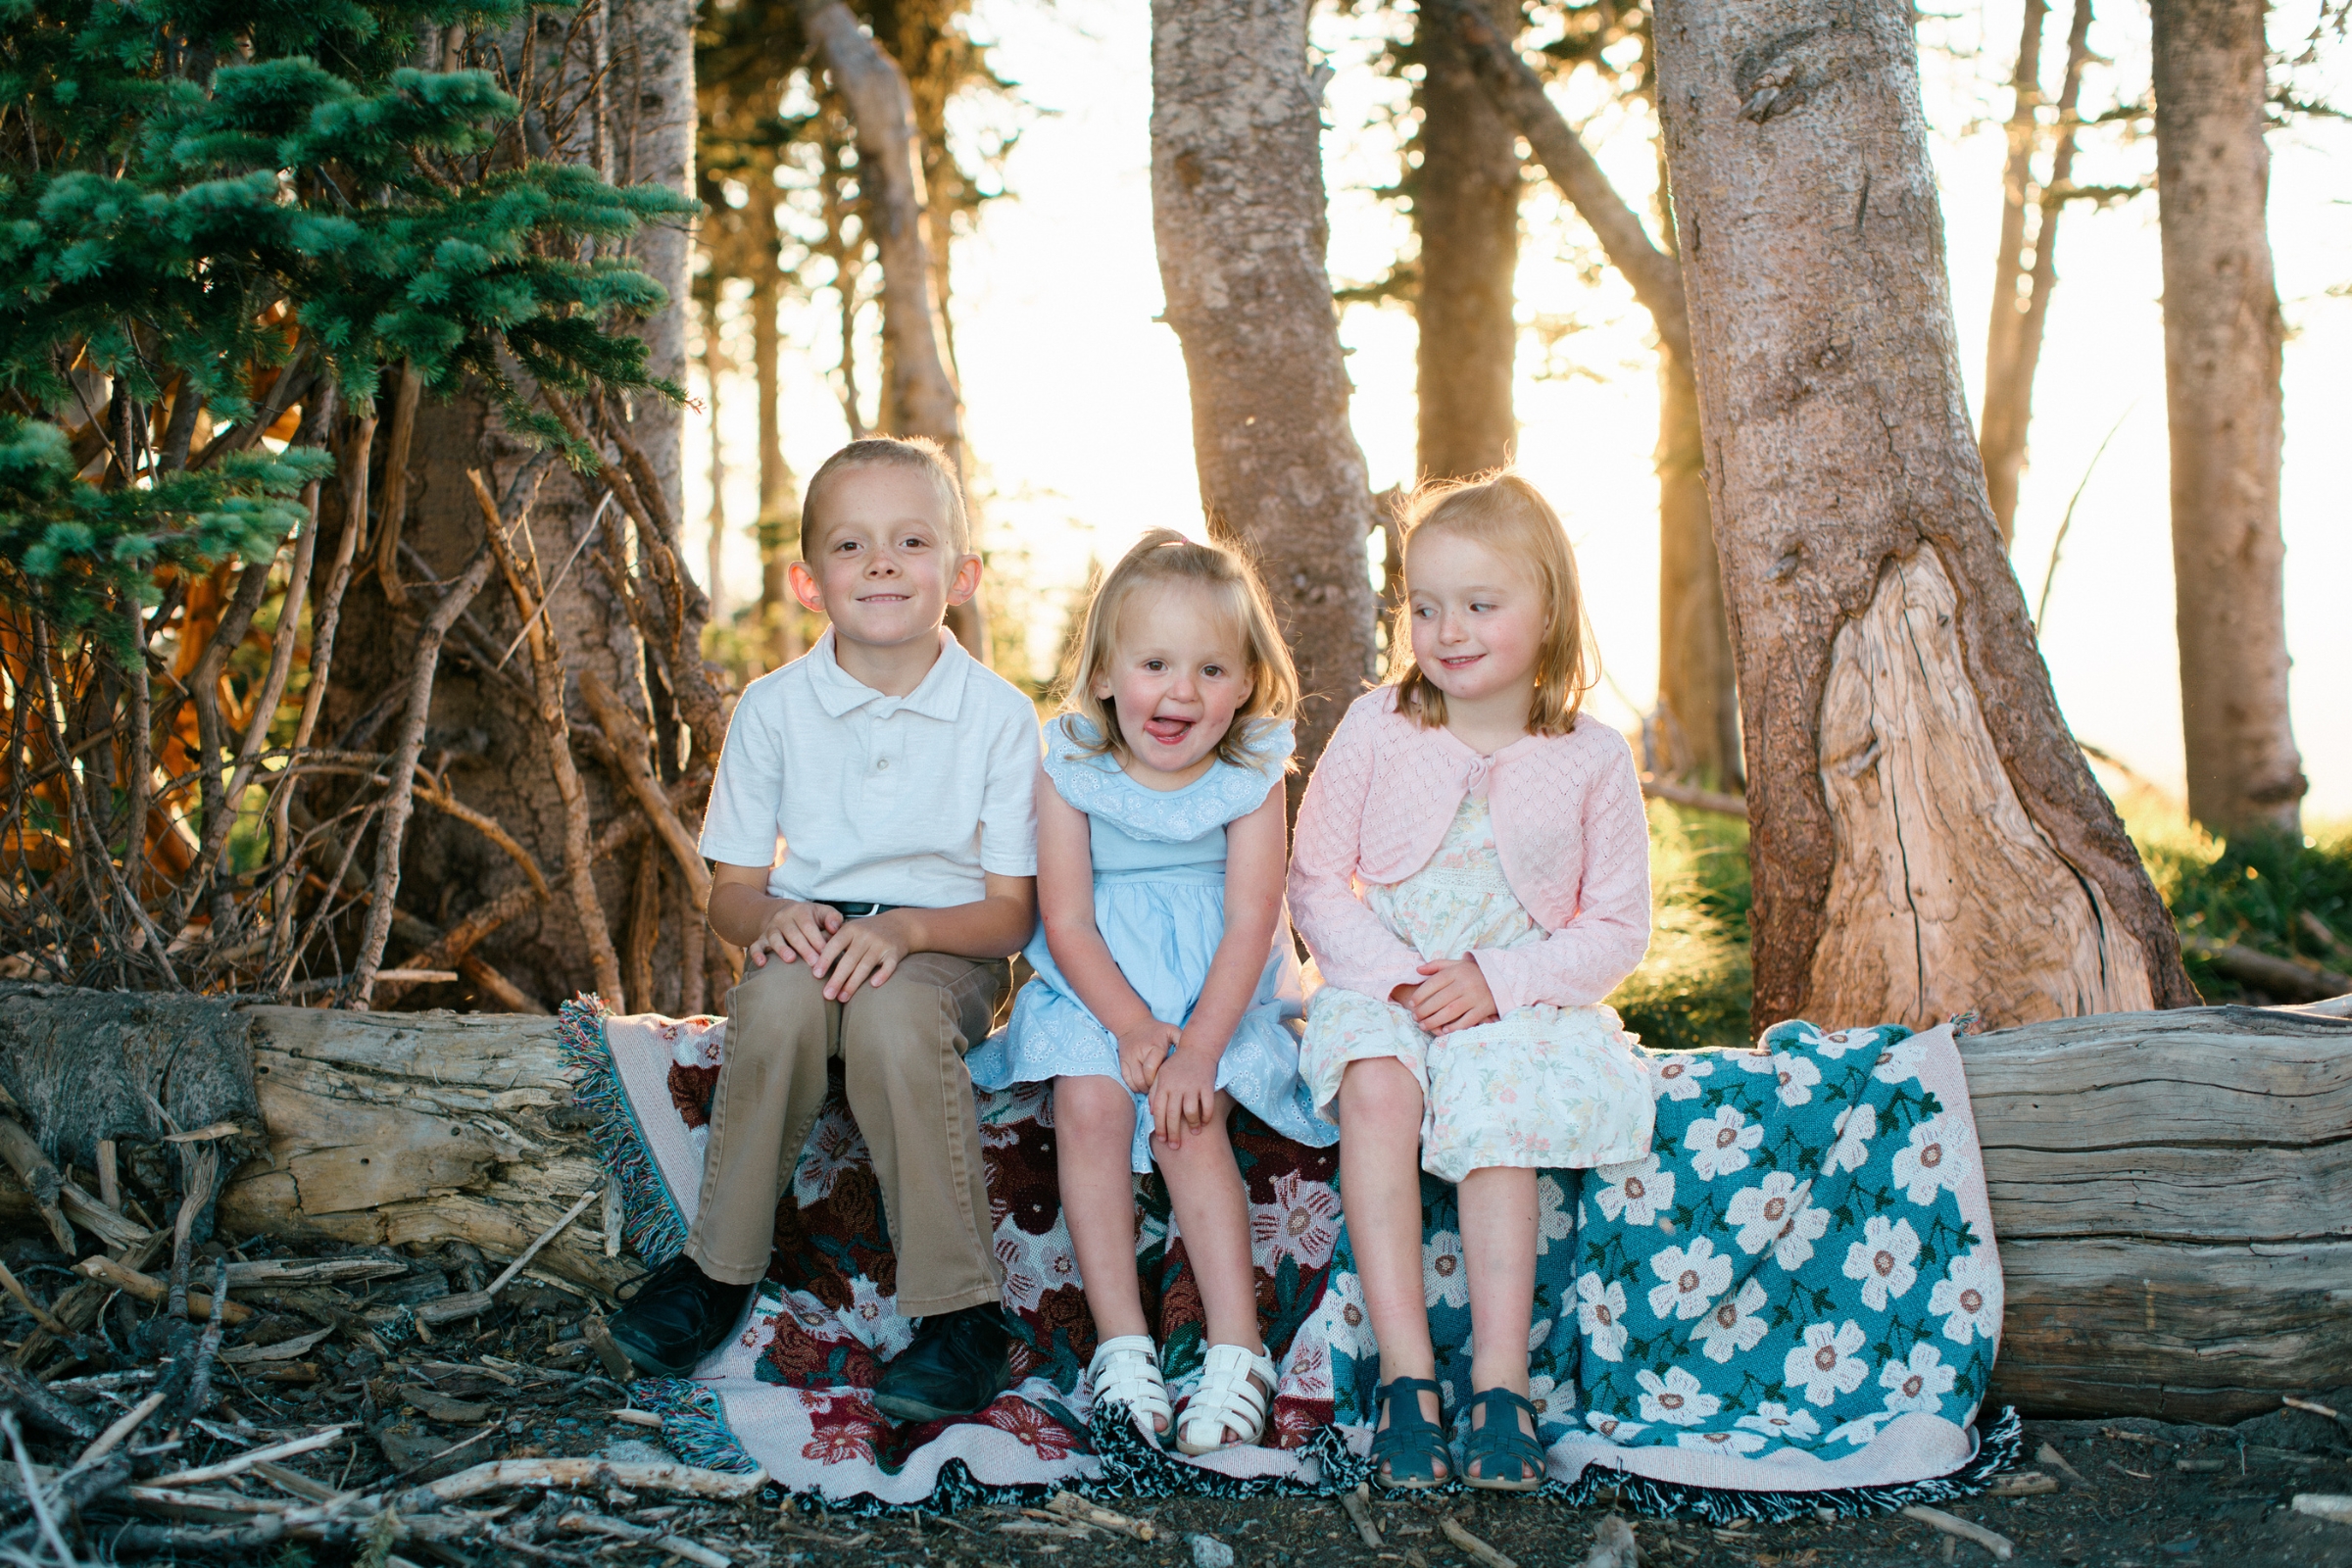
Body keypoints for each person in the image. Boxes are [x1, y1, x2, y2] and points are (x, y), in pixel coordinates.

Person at [607, 437, 1042, 1425]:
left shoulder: (1000, 717)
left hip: (946, 946)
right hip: (811, 940)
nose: (882, 562)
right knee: (774, 1002)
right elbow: (731, 894)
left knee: (893, 1022)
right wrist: (777, 917)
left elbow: (1012, 914)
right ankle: (716, 1272)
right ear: (809, 582)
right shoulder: (772, 709)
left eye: (912, 540)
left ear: (961, 574)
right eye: (852, 544)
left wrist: (910, 930)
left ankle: (962, 1314)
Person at [1288, 473, 1655, 1491]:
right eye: (1424, 604)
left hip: (1519, 997)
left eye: (1480, 605)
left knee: (1504, 1097)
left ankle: (1501, 1384)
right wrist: (1395, 980)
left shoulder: (1590, 757)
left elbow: (1619, 923)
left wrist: (1501, 979)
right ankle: (1408, 1375)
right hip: (1389, 979)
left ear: (1549, 614)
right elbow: (1316, 876)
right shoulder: (1376, 726)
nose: (1446, 630)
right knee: (1376, 1082)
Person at [966, 530, 1332, 1454]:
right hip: (1095, 992)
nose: (1181, 692)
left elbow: (1254, 923)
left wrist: (1198, 1047)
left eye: (1212, 669)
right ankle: (1123, 1345)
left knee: (1188, 1114)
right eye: (1156, 664)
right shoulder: (1070, 769)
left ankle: (1237, 1351)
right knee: (1089, 1105)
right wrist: (1129, 1025)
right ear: (1102, 673)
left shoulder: (1252, 775)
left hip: (1220, 994)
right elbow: (1070, 919)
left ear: (1246, 681)